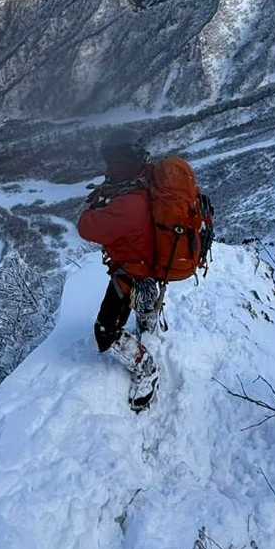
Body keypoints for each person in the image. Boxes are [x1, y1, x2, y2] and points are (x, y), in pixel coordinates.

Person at [76, 137, 165, 412]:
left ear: (122, 165)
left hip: (132, 270)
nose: (108, 169)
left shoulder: (128, 204)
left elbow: (86, 227)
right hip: (151, 264)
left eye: (112, 164)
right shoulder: (148, 182)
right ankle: (148, 325)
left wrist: (97, 204)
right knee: (144, 297)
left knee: (106, 331)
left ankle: (146, 368)